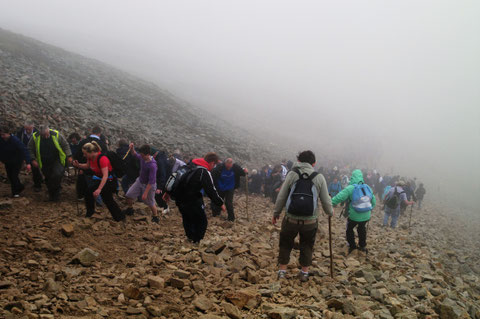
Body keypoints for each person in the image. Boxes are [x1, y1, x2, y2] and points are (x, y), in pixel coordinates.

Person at [272, 150, 333, 282]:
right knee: (307, 244)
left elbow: (282, 195)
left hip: (290, 218)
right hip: (310, 221)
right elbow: (326, 200)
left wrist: (276, 213)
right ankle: (304, 273)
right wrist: (330, 212)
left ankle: (282, 271)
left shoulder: (292, 174)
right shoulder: (319, 177)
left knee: (286, 243)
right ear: (314, 163)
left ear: (298, 161)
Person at [165, 152, 225, 244]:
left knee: (187, 217)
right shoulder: (204, 172)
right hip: (192, 199)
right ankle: (196, 240)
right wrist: (220, 203)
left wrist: (167, 192)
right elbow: (211, 190)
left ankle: (190, 237)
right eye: (215, 165)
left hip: (179, 198)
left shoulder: (189, 165)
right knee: (202, 220)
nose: (214, 167)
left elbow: (176, 177)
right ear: (212, 163)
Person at [73, 142, 125, 221]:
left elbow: (105, 175)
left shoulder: (102, 159)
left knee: (107, 198)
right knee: (88, 192)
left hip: (109, 180)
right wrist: (79, 165)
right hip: (100, 179)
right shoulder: (90, 158)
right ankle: (90, 213)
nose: (84, 155)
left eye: (85, 153)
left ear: (92, 152)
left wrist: (99, 189)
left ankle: (119, 217)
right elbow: (87, 166)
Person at [331, 169, 376, 255]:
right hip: (366, 215)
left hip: (354, 215)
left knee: (350, 228)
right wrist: (369, 209)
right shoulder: (367, 187)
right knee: (362, 228)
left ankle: (352, 246)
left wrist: (330, 203)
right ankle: (362, 246)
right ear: (361, 177)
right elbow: (374, 201)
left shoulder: (351, 188)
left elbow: (339, 197)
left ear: (352, 177)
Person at [28, 125, 72, 201]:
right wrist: (33, 159)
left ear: (49, 130)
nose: (45, 137)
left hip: (57, 159)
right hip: (44, 161)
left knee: (57, 174)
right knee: (48, 178)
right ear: (40, 133)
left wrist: (69, 155)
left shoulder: (56, 134)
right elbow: (30, 148)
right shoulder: (35, 137)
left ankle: (56, 194)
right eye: (43, 135)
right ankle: (52, 195)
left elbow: (65, 145)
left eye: (46, 134)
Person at [123, 144, 159, 223]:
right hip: (140, 181)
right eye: (141, 155)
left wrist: (145, 193)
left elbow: (151, 181)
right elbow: (135, 154)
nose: (141, 157)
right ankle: (130, 209)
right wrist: (132, 148)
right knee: (128, 195)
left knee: (150, 202)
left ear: (148, 154)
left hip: (149, 185)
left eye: (143, 155)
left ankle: (155, 217)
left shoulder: (152, 165)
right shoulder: (143, 158)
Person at [74, 126, 109, 200]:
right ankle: (97, 198)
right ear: (99, 134)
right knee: (94, 185)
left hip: (85, 169)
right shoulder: (102, 145)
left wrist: (79, 166)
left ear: (92, 131)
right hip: (98, 170)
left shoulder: (83, 142)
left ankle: (81, 196)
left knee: (83, 182)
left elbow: (77, 155)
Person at [1, 125, 32, 197]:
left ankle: (15, 193)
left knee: (14, 176)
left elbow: (24, 150)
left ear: (8, 133)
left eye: (4, 134)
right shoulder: (1, 140)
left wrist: (28, 163)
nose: (2, 136)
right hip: (7, 161)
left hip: (17, 161)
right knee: (10, 176)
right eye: (1, 135)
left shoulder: (15, 140)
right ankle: (20, 187)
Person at [16, 121, 42, 191]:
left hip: (33, 153)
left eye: (29, 129)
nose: (27, 131)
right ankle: (17, 184)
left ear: (33, 127)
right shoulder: (20, 132)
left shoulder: (38, 133)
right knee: (17, 167)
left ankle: (38, 185)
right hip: (22, 152)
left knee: (35, 168)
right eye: (26, 129)